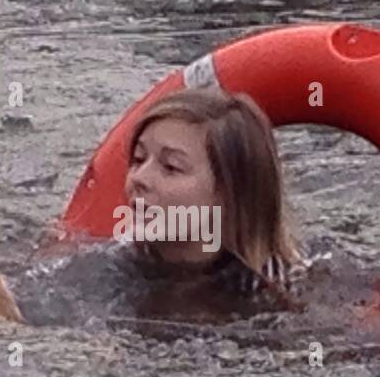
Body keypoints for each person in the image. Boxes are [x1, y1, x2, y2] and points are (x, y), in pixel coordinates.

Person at [23, 87, 304, 323]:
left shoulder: (288, 289)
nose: (139, 179)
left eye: (171, 167)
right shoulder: (100, 268)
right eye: (138, 159)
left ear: (230, 194)